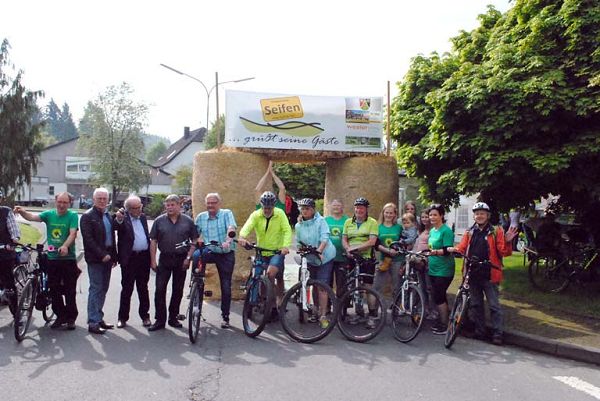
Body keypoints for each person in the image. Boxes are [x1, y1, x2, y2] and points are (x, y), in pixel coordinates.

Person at [449, 202, 517, 345]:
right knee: (476, 305)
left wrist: (508, 242)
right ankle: (480, 332)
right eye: (477, 213)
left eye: (482, 213)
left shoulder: (496, 231)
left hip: (490, 273)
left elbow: (504, 251)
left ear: (488, 216)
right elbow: (462, 248)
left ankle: (497, 334)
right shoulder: (470, 231)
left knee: (494, 305)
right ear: (474, 216)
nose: (479, 216)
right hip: (473, 274)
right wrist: (452, 249)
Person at [14, 192, 80, 330]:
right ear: (55, 201)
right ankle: (60, 316)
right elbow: (32, 217)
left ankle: (71, 318)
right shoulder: (49, 214)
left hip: (67, 258)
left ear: (69, 204)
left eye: (65, 203)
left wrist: (65, 246)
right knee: (53, 289)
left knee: (69, 290)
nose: (62, 205)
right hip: (52, 258)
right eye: (60, 202)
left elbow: (73, 233)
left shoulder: (72, 216)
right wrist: (22, 211)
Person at [148, 194, 199, 331]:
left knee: (178, 290)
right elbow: (153, 241)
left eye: (172, 205)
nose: (169, 207)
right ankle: (160, 320)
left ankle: (173, 317)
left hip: (181, 259)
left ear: (179, 205)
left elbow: (194, 240)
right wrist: (152, 260)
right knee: (160, 290)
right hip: (164, 259)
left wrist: (188, 258)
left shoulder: (188, 221)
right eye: (167, 205)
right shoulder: (159, 221)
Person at [239, 191, 292, 320]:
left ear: (274, 206)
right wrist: (242, 237)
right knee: (260, 277)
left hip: (277, 251)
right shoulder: (256, 215)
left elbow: (287, 230)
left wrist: (285, 246)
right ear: (261, 206)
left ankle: (278, 302)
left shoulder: (280, 214)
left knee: (273, 275)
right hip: (261, 251)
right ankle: (265, 301)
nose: (267, 210)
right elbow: (247, 227)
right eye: (265, 207)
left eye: (270, 208)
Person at [193, 193, 237, 329]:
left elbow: (231, 228)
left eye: (213, 203)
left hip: (225, 252)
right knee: (196, 255)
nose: (210, 205)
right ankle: (196, 283)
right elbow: (195, 234)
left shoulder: (226, 213)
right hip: (210, 250)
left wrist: (228, 241)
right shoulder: (201, 217)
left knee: (225, 285)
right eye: (208, 203)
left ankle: (225, 316)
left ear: (219, 203)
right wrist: (195, 240)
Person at [294, 198, 336, 328]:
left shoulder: (320, 221)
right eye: (302, 209)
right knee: (311, 284)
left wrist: (319, 251)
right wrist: (300, 251)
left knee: (322, 287)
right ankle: (315, 310)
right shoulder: (298, 225)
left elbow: (324, 238)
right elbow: (298, 242)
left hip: (324, 257)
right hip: (310, 258)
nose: (304, 211)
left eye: (307, 209)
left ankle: (323, 315)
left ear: (313, 210)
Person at [80, 188, 117, 334]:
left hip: (108, 257)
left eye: (104, 198)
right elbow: (88, 239)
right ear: (93, 200)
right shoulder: (88, 216)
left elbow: (111, 237)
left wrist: (113, 256)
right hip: (96, 258)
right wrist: (102, 255)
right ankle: (93, 322)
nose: (102, 201)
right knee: (96, 288)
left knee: (104, 288)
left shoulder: (108, 215)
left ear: (108, 200)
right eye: (99, 198)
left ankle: (98, 317)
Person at [113, 195, 152, 329]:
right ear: (128, 209)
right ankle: (122, 318)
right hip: (129, 259)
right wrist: (119, 218)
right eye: (134, 208)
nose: (138, 210)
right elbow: (115, 226)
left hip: (143, 258)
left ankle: (145, 316)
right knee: (127, 289)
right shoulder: (123, 218)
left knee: (143, 288)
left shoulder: (142, 217)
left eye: (139, 207)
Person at [342, 197, 379, 328]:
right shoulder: (348, 222)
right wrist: (347, 249)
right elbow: (344, 238)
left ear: (366, 209)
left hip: (366, 259)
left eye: (362, 207)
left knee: (367, 287)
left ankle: (372, 315)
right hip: (352, 258)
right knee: (353, 286)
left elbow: (372, 241)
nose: (359, 210)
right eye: (357, 207)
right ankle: (359, 313)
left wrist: (355, 249)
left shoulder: (372, 222)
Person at [426, 204, 455, 335]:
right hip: (432, 268)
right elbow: (430, 248)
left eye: (435, 215)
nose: (432, 217)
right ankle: (442, 319)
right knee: (436, 295)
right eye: (430, 215)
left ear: (441, 216)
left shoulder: (446, 231)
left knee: (440, 296)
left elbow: (447, 250)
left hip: (444, 270)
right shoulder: (432, 231)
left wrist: (435, 252)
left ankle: (445, 324)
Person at [374, 203, 403, 303]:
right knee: (377, 286)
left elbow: (403, 242)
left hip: (397, 260)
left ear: (395, 214)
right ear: (383, 213)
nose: (389, 215)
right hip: (383, 259)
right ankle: (377, 310)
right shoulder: (378, 227)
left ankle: (396, 308)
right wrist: (387, 250)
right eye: (387, 212)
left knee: (397, 286)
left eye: (391, 213)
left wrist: (396, 250)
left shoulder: (399, 227)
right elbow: (376, 244)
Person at [413, 208, 437, 320]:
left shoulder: (433, 231)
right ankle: (425, 309)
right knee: (422, 288)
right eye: (422, 217)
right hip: (419, 263)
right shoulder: (421, 230)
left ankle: (434, 311)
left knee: (430, 288)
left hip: (429, 263)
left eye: (426, 217)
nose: (424, 219)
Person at [0, 190, 20, 315]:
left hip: (5, 253)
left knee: (9, 285)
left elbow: (15, 231)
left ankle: (16, 314)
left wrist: (14, 240)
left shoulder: (6, 212)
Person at [324, 199, 349, 297]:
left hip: (342, 256)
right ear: (330, 207)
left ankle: (341, 307)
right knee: (327, 282)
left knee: (341, 283)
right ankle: (328, 306)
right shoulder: (326, 220)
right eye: (334, 205)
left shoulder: (347, 220)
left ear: (342, 207)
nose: (336, 207)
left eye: (338, 205)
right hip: (328, 256)